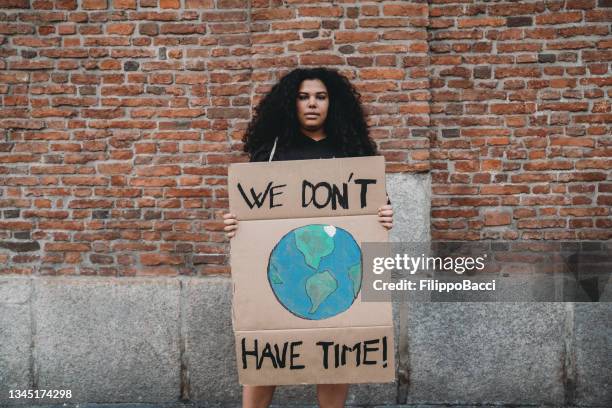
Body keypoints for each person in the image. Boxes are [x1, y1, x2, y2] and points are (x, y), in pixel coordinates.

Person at [222, 67, 393, 408]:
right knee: (266, 362)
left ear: (333, 103)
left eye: (320, 96)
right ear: (291, 104)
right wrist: (233, 222)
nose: (312, 104)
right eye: (303, 97)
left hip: (335, 267)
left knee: (335, 358)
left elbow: (373, 205)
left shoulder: (352, 150)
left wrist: (386, 214)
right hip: (287, 268)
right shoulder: (272, 152)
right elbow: (251, 210)